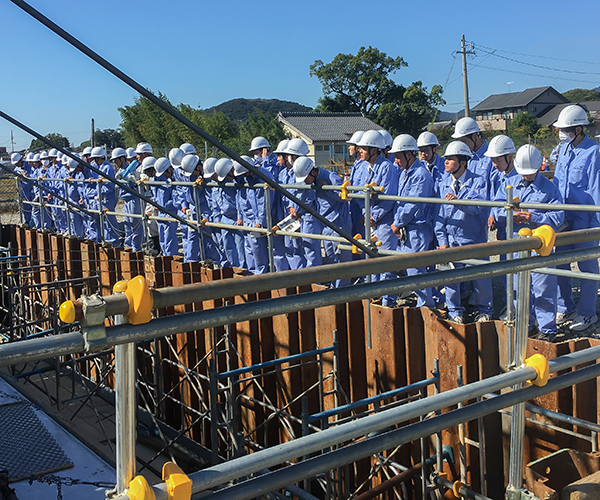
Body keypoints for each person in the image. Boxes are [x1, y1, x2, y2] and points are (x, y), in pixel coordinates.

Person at [494, 145, 564, 339]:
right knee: (519, 289)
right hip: (516, 244)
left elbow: (558, 216)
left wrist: (534, 217)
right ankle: (527, 324)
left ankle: (547, 329)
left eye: (530, 173)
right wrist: (510, 216)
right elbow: (495, 208)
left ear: (538, 169)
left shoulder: (549, 188)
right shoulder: (510, 184)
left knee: (543, 288)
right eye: (524, 173)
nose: (526, 176)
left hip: (540, 245)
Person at [552, 104, 600, 331]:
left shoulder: (594, 152)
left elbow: (596, 188)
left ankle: (588, 313)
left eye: (566, 129)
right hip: (563, 217)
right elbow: (556, 182)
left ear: (580, 129)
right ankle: (565, 306)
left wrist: (596, 223)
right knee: (560, 262)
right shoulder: (563, 149)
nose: (562, 133)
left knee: (587, 266)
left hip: (585, 219)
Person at [434, 141, 493, 323]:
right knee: (451, 278)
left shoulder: (478, 182)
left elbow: (476, 207)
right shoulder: (443, 184)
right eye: (446, 159)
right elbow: (438, 216)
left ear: (463, 162)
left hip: (473, 238)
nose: (446, 162)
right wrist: (442, 241)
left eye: (450, 159)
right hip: (451, 240)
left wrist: (458, 201)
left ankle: (485, 310)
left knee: (480, 278)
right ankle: (454, 311)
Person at [389, 134, 434, 307]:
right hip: (408, 228)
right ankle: (429, 301)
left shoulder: (420, 174)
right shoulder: (406, 172)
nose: (396, 161)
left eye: (398, 157)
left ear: (409, 155)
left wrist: (398, 222)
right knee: (411, 268)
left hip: (417, 228)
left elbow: (414, 204)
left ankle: (426, 306)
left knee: (416, 270)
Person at [355, 130, 399, 307]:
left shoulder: (387, 167)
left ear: (374, 150)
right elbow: (361, 192)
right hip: (371, 219)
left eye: (364, 148)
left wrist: (374, 215)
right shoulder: (368, 168)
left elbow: (389, 196)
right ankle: (375, 295)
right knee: (372, 258)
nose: (360, 151)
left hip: (384, 221)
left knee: (386, 261)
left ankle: (388, 300)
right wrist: (367, 214)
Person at [293, 156, 351, 287]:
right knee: (331, 258)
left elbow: (344, 197)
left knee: (342, 259)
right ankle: (334, 287)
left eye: (306, 178)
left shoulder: (331, 177)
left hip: (339, 223)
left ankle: (343, 290)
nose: (305, 182)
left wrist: (327, 188)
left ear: (312, 172)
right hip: (327, 224)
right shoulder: (313, 182)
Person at [236, 155, 273, 274]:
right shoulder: (247, 178)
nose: (243, 177)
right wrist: (240, 215)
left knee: (258, 248)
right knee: (249, 247)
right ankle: (251, 272)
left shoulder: (262, 177)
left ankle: (260, 273)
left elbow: (264, 202)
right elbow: (240, 197)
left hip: (258, 220)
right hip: (249, 218)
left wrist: (260, 222)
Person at [113, 147, 143, 251]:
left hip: (133, 198)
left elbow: (136, 185)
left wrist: (129, 180)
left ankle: (137, 247)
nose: (115, 162)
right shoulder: (121, 171)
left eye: (116, 160)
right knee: (128, 224)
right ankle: (128, 245)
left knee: (135, 223)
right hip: (126, 200)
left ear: (122, 159)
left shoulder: (130, 169)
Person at [214, 158, 242, 268]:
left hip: (236, 218)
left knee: (239, 246)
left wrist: (240, 216)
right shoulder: (219, 184)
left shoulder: (237, 183)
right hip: (225, 217)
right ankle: (232, 267)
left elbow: (241, 201)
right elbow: (215, 203)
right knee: (228, 245)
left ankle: (242, 269)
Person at [90, 147, 119, 246]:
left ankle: (114, 242)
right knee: (105, 222)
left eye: (95, 158)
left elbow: (109, 185)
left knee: (109, 221)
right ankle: (108, 240)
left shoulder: (107, 168)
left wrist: (100, 193)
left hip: (108, 198)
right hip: (103, 199)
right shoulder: (101, 167)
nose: (94, 161)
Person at [152, 157, 179, 256]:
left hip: (170, 212)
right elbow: (156, 196)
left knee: (169, 238)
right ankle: (165, 256)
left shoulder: (172, 179)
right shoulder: (156, 180)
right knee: (162, 238)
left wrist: (165, 206)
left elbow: (175, 197)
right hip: (161, 212)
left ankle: (171, 257)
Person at [11, 153, 34, 226]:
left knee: (35, 206)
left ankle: (35, 223)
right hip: (24, 190)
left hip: (33, 189)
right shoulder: (16, 170)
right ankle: (27, 222)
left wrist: (28, 176)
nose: (16, 165)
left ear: (21, 160)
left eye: (17, 163)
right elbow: (15, 177)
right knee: (26, 206)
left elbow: (35, 174)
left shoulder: (29, 165)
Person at [65, 156, 85, 238]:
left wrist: (83, 197)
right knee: (73, 219)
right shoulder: (77, 173)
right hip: (75, 199)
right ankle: (77, 235)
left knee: (88, 220)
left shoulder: (85, 172)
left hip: (83, 199)